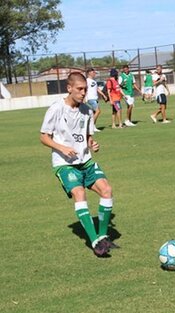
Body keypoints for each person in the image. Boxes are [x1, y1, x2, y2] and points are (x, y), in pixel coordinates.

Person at [40, 72, 119, 257]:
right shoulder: (56, 109)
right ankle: (94, 242)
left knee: (107, 190)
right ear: (69, 88)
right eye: (79, 89)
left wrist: (92, 143)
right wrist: (62, 148)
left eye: (85, 89)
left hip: (86, 161)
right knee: (79, 192)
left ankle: (102, 236)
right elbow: (44, 137)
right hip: (65, 163)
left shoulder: (87, 110)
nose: (83, 93)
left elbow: (88, 136)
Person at [85, 68, 108, 132]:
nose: (94, 74)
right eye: (93, 72)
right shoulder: (87, 81)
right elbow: (85, 90)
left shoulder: (94, 81)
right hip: (90, 98)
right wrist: (84, 98)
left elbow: (97, 89)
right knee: (98, 111)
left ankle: (93, 126)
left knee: (94, 113)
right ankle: (91, 126)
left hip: (95, 98)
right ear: (89, 73)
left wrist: (103, 95)